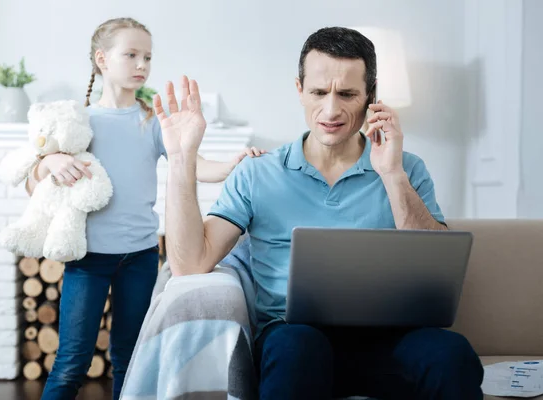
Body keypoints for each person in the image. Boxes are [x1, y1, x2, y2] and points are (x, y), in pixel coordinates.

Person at [154, 27, 484, 399]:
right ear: (299, 90)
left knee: (452, 354)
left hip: (391, 339)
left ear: (370, 96)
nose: (330, 110)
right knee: (297, 347)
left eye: (346, 94)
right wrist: (182, 160)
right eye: (318, 92)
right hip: (294, 340)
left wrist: (392, 175)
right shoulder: (258, 172)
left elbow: (436, 263)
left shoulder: (407, 169)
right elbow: (189, 264)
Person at [25, 17, 263, 400]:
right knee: (71, 362)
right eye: (131, 55)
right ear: (102, 59)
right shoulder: (78, 122)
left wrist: (234, 163)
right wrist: (47, 162)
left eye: (148, 57)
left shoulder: (152, 121)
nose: (142, 65)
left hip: (139, 256)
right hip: (87, 258)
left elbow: (194, 163)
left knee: (130, 357)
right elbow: (31, 179)